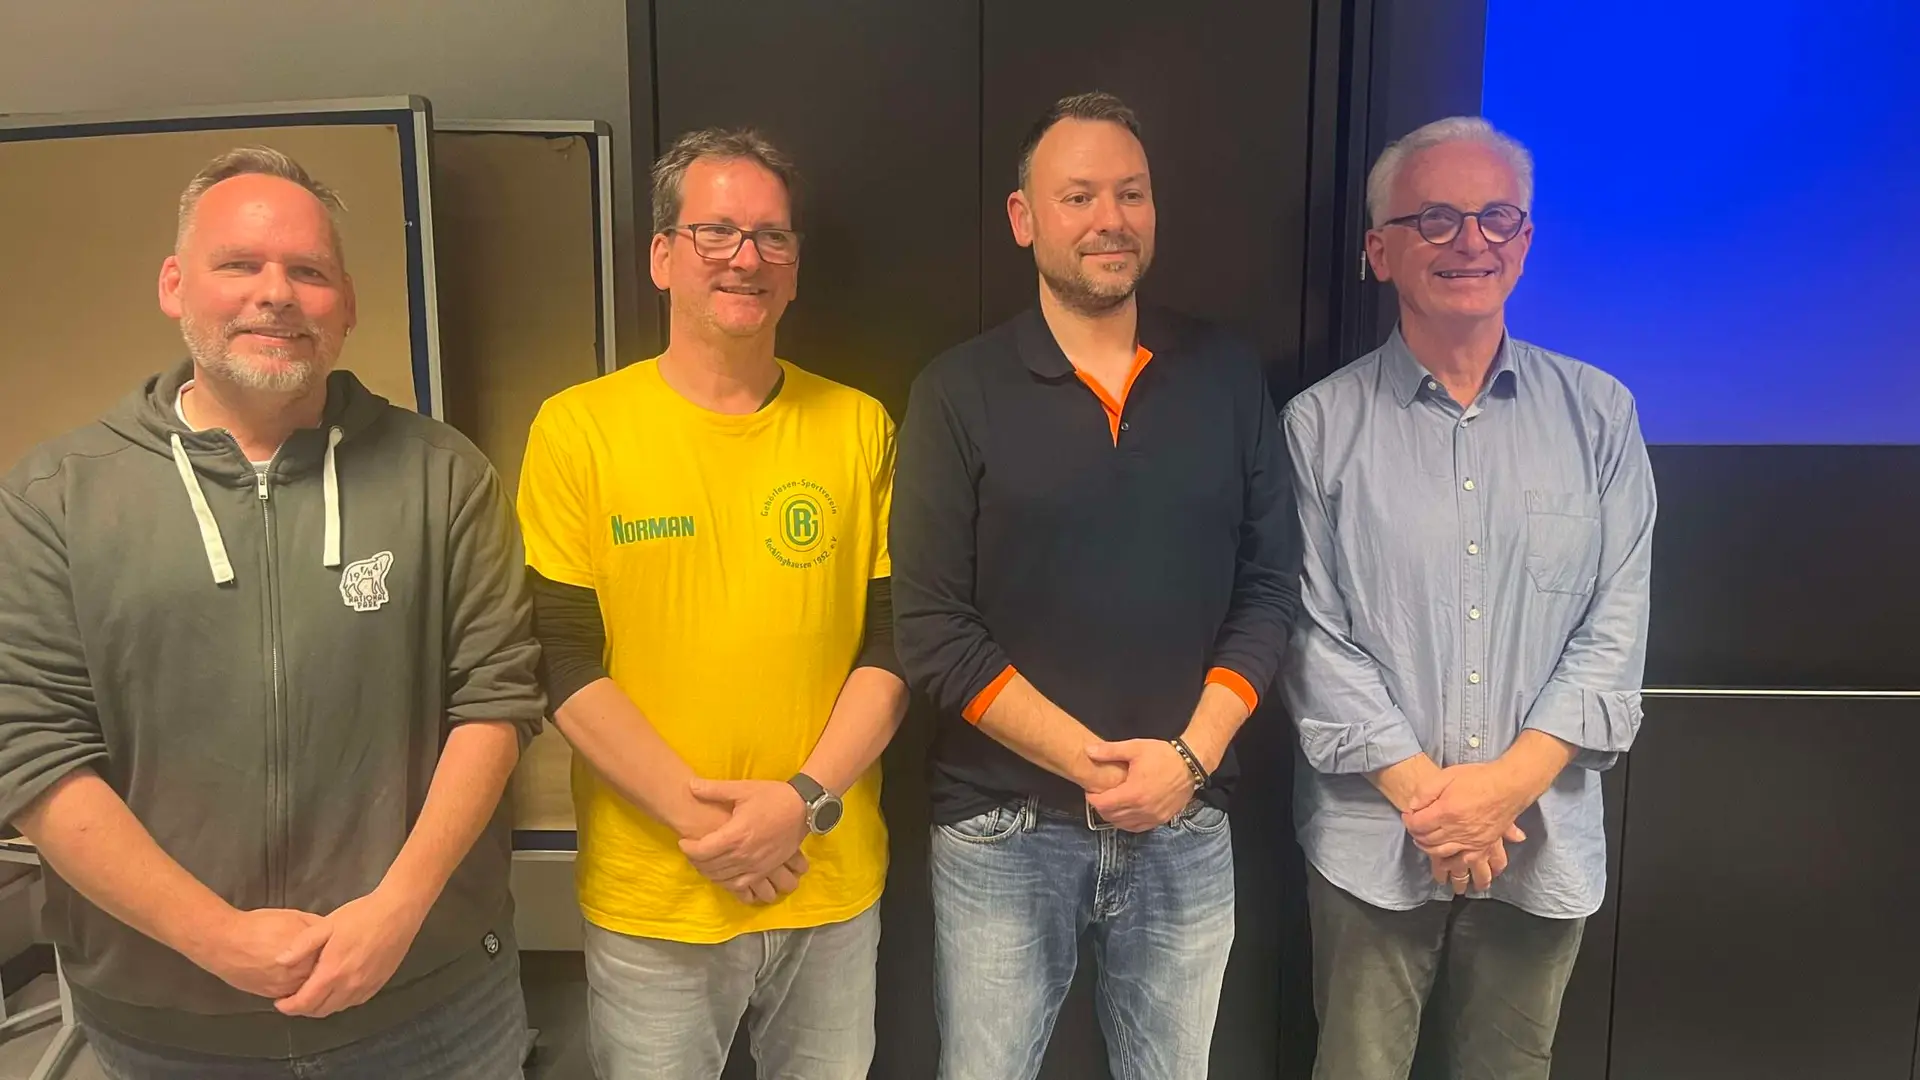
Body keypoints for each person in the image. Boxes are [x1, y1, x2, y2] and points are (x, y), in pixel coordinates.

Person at [0, 147, 545, 1078]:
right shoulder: (56, 497)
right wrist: (215, 938)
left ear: (348, 303)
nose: (277, 294)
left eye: (309, 271)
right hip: (170, 1027)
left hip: (432, 1002)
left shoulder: (444, 475)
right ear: (175, 285)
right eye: (239, 264)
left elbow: (495, 701)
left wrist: (395, 914)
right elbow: (34, 750)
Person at [891, 91, 1299, 1080]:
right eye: (1078, 196)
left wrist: (1188, 761)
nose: (1109, 219)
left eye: (1131, 193)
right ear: (1024, 218)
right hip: (1003, 830)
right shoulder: (956, 392)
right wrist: (1104, 770)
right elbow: (934, 631)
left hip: (1187, 822)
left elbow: (1269, 589)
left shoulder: (1227, 375)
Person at [516, 128, 907, 1080]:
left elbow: (894, 644)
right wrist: (720, 832)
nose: (746, 258)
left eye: (772, 237)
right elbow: (560, 658)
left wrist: (800, 805)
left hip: (828, 882)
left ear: (795, 268)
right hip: (656, 892)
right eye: (716, 232)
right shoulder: (578, 430)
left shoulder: (860, 426)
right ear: (662, 256)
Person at [1282, 115, 1657, 1080]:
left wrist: (1498, 795)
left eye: (1497, 218)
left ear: (1525, 241)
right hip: (1374, 843)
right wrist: (1434, 805)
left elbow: (1614, 631)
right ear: (1380, 251)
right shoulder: (1317, 428)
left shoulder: (1601, 417)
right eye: (1437, 219)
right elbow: (1311, 637)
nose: (1471, 242)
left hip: (1541, 839)